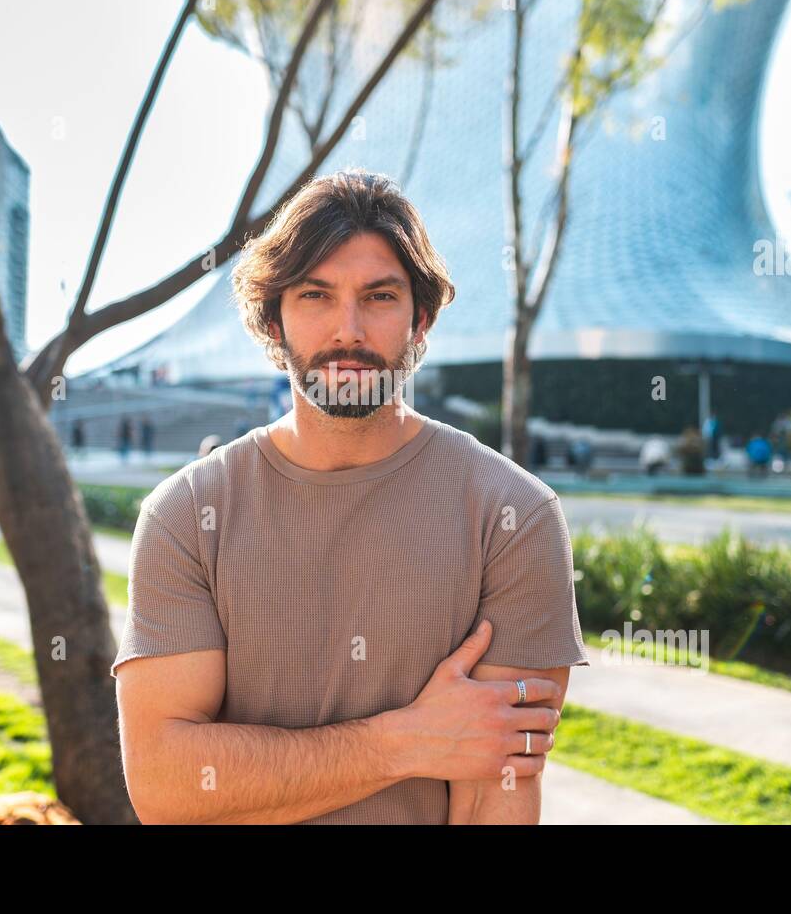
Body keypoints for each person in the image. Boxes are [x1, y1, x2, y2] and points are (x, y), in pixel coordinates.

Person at [113, 170, 587, 826]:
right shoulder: (188, 514)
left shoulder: (511, 516)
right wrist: (405, 741)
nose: (348, 328)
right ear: (274, 320)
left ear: (420, 317)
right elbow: (167, 784)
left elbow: (493, 791)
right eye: (315, 295)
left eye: (379, 296)